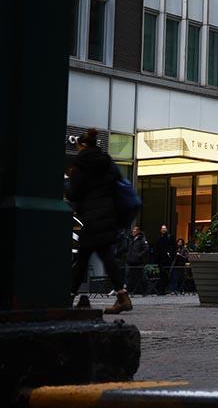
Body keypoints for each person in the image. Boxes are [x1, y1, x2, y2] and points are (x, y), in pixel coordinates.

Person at [66, 129, 132, 314]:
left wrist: (69, 184)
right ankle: (123, 296)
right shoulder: (107, 162)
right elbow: (118, 183)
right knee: (105, 256)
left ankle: (69, 296)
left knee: (83, 259)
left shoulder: (80, 164)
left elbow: (74, 194)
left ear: (82, 145)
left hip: (91, 217)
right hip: (109, 216)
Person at [125, 225, 150, 295]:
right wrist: (127, 255)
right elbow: (127, 248)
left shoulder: (142, 239)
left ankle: (144, 291)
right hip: (130, 261)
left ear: (138, 231)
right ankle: (130, 291)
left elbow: (146, 249)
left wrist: (139, 255)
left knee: (140, 276)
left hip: (138, 262)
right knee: (129, 276)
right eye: (132, 231)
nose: (133, 232)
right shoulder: (130, 239)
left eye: (135, 231)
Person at [155, 224, 176, 295]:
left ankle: (165, 289)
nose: (163, 230)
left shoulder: (169, 237)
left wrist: (169, 254)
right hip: (161, 259)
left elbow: (173, 247)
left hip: (167, 259)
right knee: (162, 275)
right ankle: (162, 289)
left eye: (164, 228)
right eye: (162, 229)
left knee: (166, 274)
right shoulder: (159, 238)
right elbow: (157, 248)